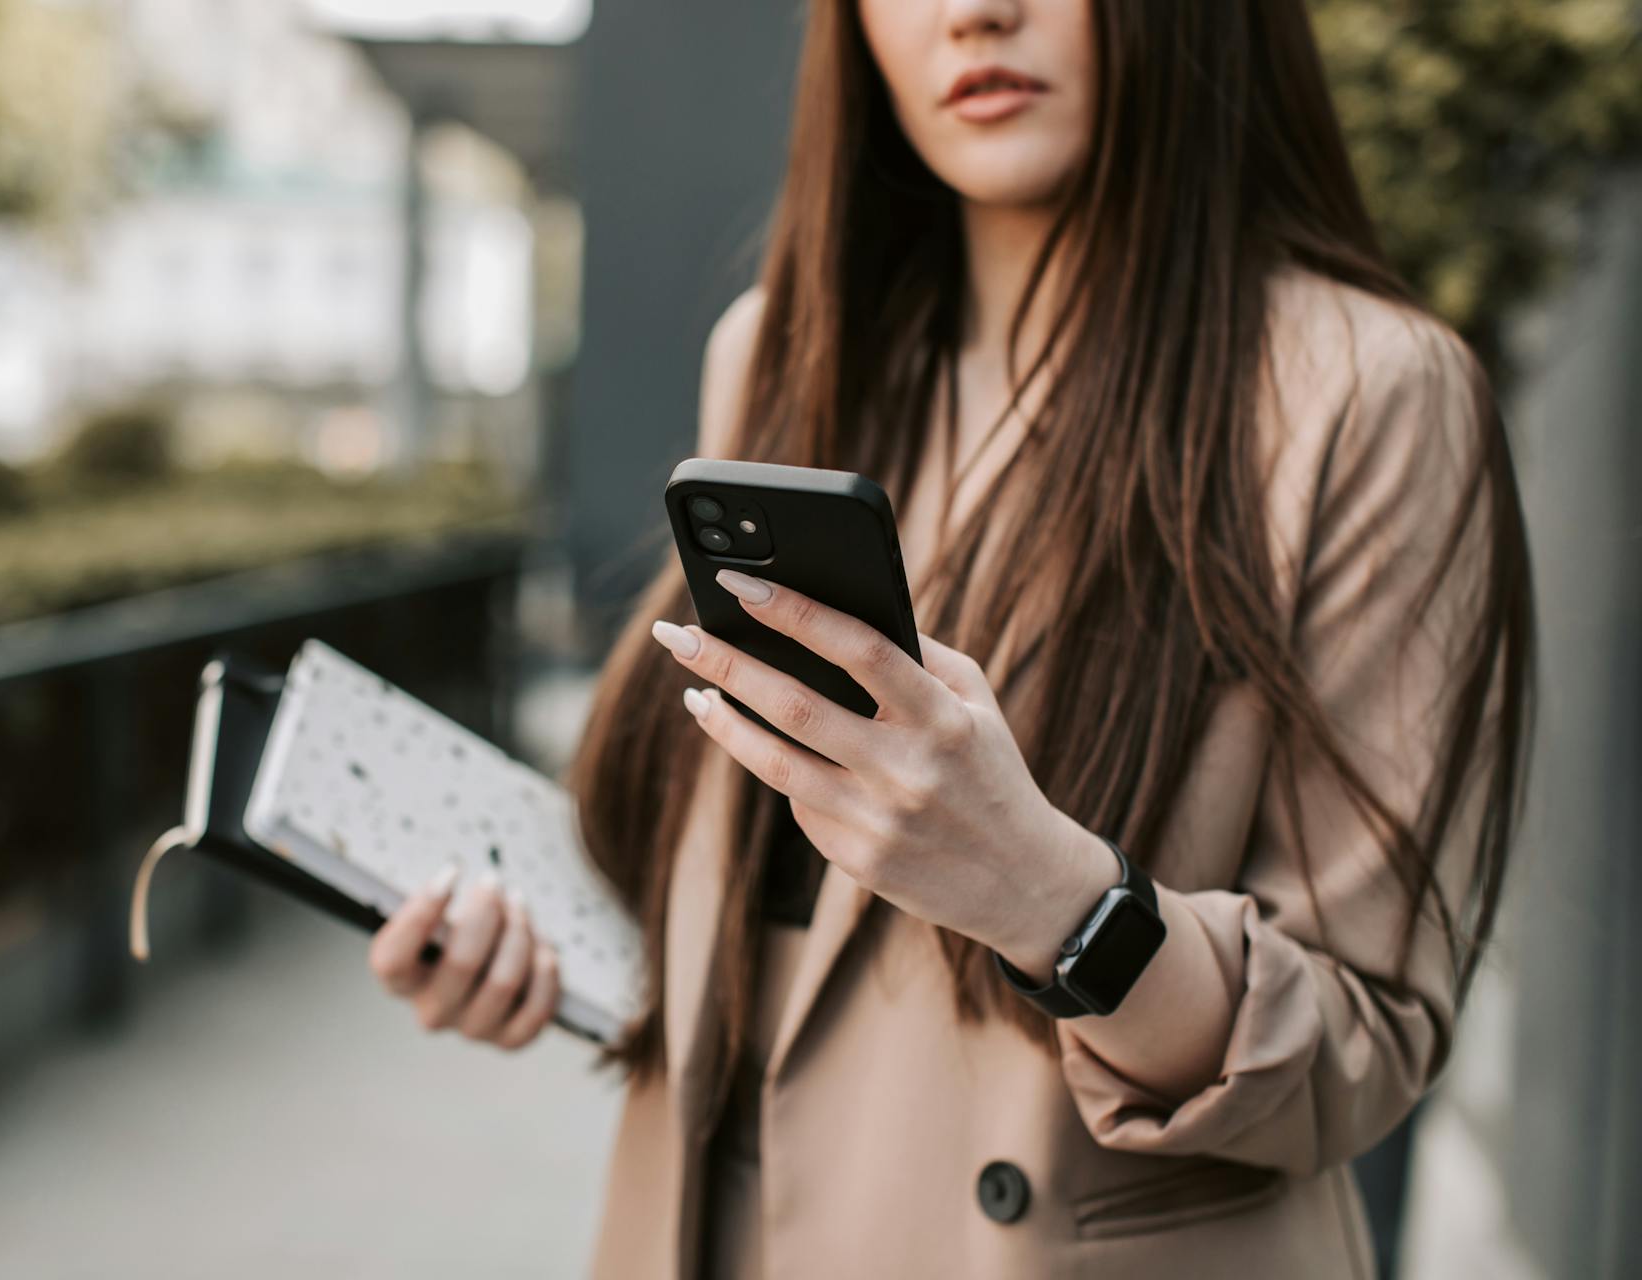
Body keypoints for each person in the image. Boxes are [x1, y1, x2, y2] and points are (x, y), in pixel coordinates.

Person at [366, 0, 1536, 1276]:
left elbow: (1361, 1047)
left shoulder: (1363, 394)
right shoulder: (781, 352)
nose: (975, 13)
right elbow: (766, 914)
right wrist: (537, 949)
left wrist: (1051, 893)